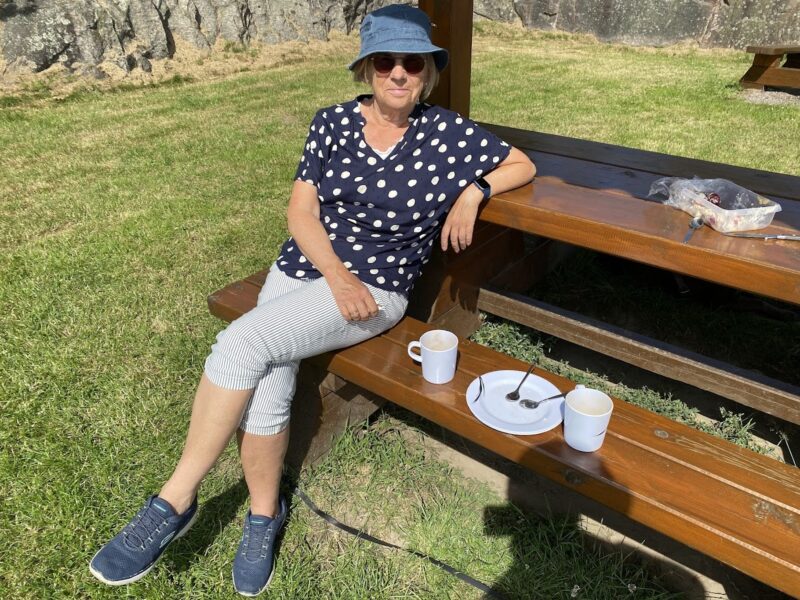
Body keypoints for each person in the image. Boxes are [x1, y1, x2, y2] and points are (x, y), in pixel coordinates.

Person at [89, 4, 536, 595]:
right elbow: (302, 211)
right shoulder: (332, 123)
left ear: (428, 72)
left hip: (374, 290)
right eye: (385, 61)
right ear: (366, 69)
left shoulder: (447, 133)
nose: (398, 73)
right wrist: (334, 274)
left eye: (412, 62)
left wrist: (474, 191)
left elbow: (521, 163)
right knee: (269, 378)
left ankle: (174, 501)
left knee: (241, 343)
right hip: (306, 269)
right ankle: (263, 514)